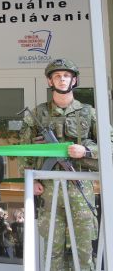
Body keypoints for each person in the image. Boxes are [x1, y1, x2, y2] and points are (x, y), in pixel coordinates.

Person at [19, 58, 101, 270]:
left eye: (66, 75)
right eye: (57, 76)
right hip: (48, 189)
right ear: (50, 81)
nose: (62, 79)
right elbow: (23, 149)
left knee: (84, 252)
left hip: (80, 188)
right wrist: (31, 180)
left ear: (74, 80)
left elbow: (109, 144)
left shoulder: (89, 112)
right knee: (53, 252)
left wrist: (86, 150)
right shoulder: (38, 114)